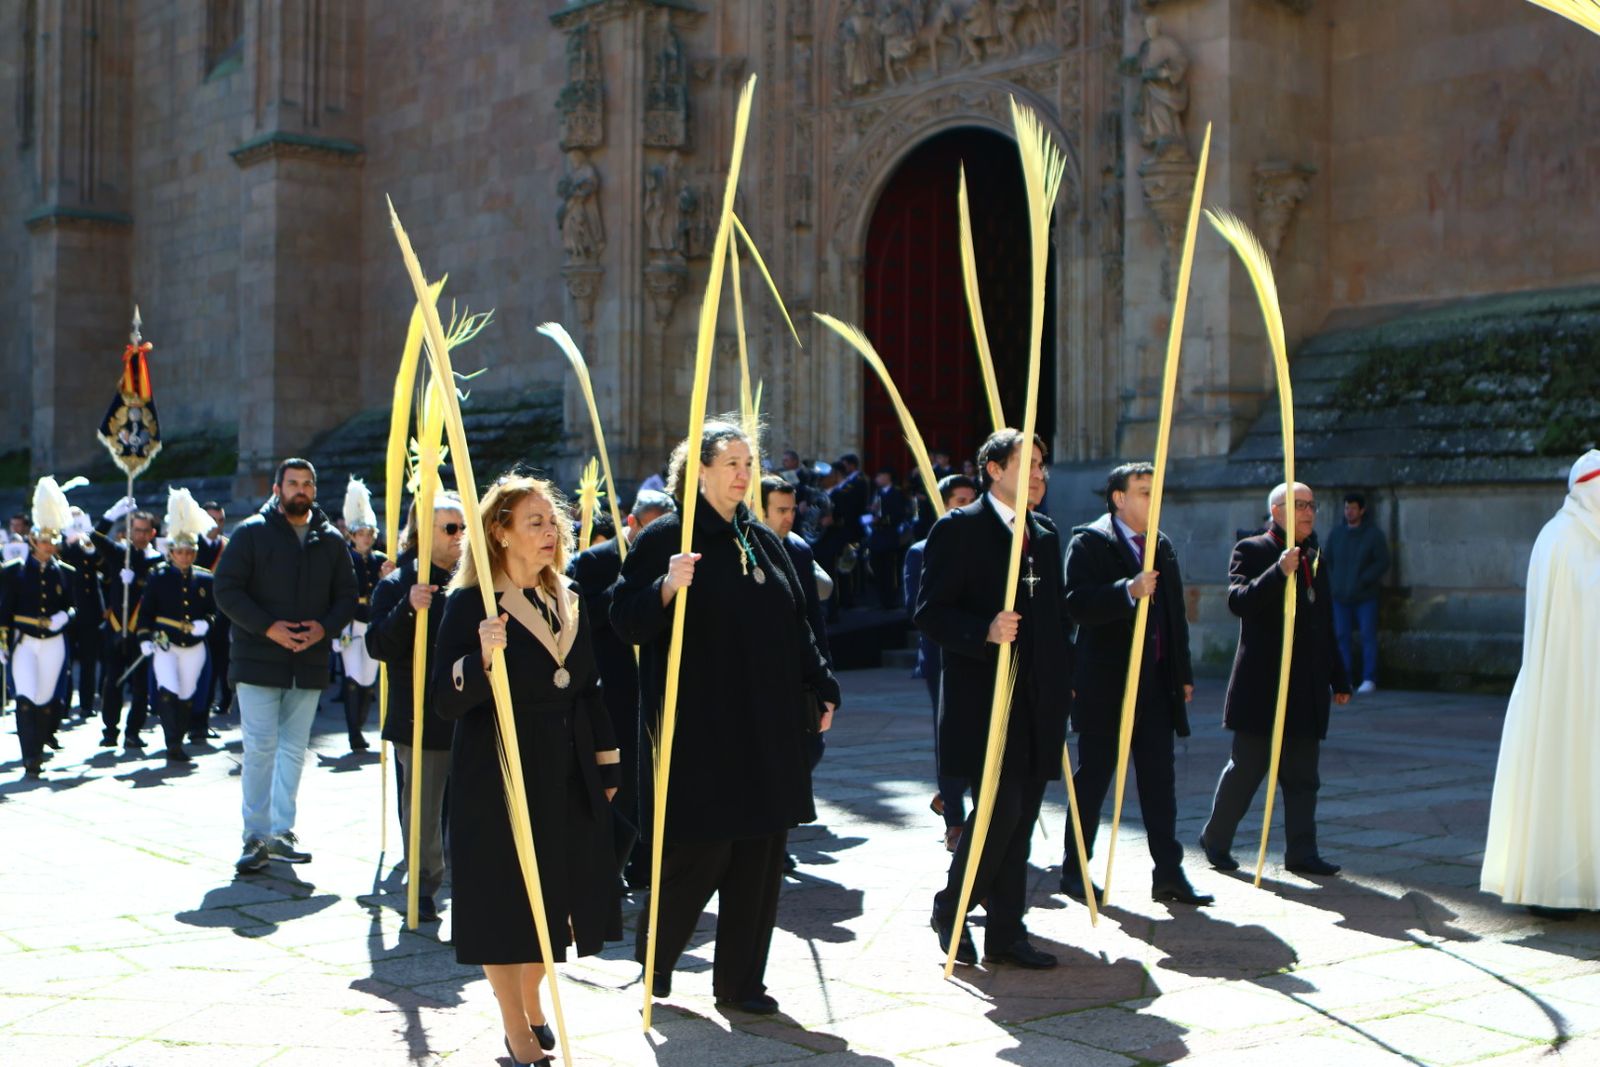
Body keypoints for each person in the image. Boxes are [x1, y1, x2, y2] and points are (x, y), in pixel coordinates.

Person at [612, 418, 839, 1015]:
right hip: (701, 729)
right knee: (702, 853)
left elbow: (797, 627)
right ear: (702, 470)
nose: (744, 473)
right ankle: (656, 959)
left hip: (766, 728)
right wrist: (664, 587)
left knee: (760, 857)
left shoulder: (762, 540)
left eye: (748, 462)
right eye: (732, 462)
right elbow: (623, 619)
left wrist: (822, 684)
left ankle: (740, 984)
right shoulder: (665, 536)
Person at [432, 474, 623, 1067]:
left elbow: (589, 686)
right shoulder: (472, 602)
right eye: (534, 522)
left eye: (552, 522)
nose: (548, 532)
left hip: (566, 761)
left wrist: (606, 760)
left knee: (558, 893)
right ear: (500, 532)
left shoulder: (569, 595)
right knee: (503, 901)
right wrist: (481, 658)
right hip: (497, 767)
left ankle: (533, 1000)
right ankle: (516, 1030)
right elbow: (444, 697)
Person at [917, 430, 1072, 969]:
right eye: (1026, 464)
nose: (1038, 476)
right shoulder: (958, 530)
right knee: (997, 815)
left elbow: (1056, 616)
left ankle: (1007, 932)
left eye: (1042, 466)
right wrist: (983, 629)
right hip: (986, 701)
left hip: (1038, 702)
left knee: (1022, 818)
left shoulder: (1046, 535)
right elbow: (930, 612)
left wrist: (1064, 677)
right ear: (993, 469)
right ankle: (951, 908)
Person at [1059, 463, 1209, 906]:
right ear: (1119, 498)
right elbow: (1075, 605)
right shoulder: (1089, 542)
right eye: (1144, 492)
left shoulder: (1159, 544)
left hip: (1156, 685)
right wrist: (1127, 591)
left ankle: (1168, 872)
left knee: (1160, 782)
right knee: (1095, 778)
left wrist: (1181, 672)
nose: (1152, 499)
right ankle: (1074, 870)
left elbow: (1173, 615)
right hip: (1107, 684)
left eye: (1155, 491)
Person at [1199, 481, 1352, 877]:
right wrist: (1278, 571)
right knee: (1247, 770)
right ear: (1277, 511)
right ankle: (1216, 839)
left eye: (1312, 505)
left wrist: (1340, 678)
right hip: (1263, 686)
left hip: (1307, 688)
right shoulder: (1252, 549)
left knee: (1303, 778)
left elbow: (1324, 622)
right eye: (1299, 505)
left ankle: (1302, 852)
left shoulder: (1315, 557)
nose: (1308, 512)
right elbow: (1239, 601)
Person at [215, 458, 358, 874]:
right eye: (292, 483)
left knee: (295, 749)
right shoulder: (250, 534)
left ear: (314, 490)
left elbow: (347, 595)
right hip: (258, 660)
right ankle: (255, 836)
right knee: (260, 747)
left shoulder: (330, 541)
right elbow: (226, 590)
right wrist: (267, 627)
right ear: (277, 489)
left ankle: (282, 831)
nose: (300, 490)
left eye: (307, 484)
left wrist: (325, 629)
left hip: (308, 662)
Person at [1481, 451, 1600, 916]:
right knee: (1560, 774)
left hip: (1589, 684)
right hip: (1562, 687)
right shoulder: (1561, 538)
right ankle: (1553, 889)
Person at [568, 487, 676, 887]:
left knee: (655, 778)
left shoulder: (669, 559)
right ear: (631, 523)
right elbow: (582, 615)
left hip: (655, 683)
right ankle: (608, 866)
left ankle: (646, 864)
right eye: (648, 529)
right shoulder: (594, 561)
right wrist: (626, 594)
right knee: (621, 781)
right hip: (611, 685)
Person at [367, 492, 466, 924]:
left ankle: (471, 882)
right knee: (422, 812)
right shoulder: (398, 583)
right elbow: (377, 645)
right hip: (421, 717)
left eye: (464, 528)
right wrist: (409, 608)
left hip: (469, 715)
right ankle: (423, 885)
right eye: (450, 528)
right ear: (424, 532)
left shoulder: (473, 581)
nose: (460, 537)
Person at [904, 473, 978, 852]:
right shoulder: (921, 550)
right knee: (950, 736)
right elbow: (917, 608)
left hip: (982, 649)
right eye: (956, 499)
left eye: (970, 498)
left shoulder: (990, 545)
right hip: (941, 655)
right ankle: (955, 819)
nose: (964, 505)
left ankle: (948, 794)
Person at [0, 477, 81, 777]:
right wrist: (2, 642)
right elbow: (4, 611)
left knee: (47, 699)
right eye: (44, 541)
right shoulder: (13, 572)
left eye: (53, 541)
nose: (49, 546)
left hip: (54, 641)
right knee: (26, 697)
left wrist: (66, 617)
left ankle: (40, 745)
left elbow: (74, 607)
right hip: (24, 640)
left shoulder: (66, 573)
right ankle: (29, 755)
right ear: (33, 541)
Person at [137, 488, 218, 764]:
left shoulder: (206, 579)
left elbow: (213, 611)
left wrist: (206, 624)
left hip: (194, 644)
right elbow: (146, 611)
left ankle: (178, 737)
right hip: (166, 642)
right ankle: (173, 742)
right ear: (171, 552)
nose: (184, 556)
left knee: (186, 693)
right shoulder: (158, 577)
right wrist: (144, 638)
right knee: (168, 690)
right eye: (180, 552)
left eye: (189, 552)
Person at [92, 498, 162, 750]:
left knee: (141, 685)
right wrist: (110, 516)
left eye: (146, 530)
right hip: (115, 627)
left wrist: (137, 579)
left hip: (141, 631)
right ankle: (110, 731)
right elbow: (95, 537)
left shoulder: (157, 561)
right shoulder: (119, 553)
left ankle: (133, 732)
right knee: (113, 681)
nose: (141, 535)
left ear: (153, 533)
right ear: (130, 531)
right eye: (137, 530)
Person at [1324, 491, 1389, 695]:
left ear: (1362, 510)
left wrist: (1365, 580)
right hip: (1340, 596)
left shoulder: (1373, 535)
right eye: (1346, 508)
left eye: (1352, 508)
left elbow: (1382, 561)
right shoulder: (1337, 534)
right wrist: (1333, 584)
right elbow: (1328, 560)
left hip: (1365, 596)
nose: (1349, 512)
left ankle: (1369, 678)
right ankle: (1345, 679)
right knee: (1341, 637)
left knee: (1368, 636)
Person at [340, 477, 388, 752]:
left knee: (369, 679)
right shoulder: (345, 558)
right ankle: (353, 732)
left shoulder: (381, 560)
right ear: (353, 535)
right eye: (361, 534)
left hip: (372, 623)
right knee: (353, 677)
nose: (366, 539)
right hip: (350, 623)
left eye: (370, 534)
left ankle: (359, 723)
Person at [58, 507, 104, 719]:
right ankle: (63, 704)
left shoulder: (90, 542)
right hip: (66, 608)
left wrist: (89, 545)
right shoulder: (58, 543)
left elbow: (101, 564)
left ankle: (86, 703)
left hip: (90, 609)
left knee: (89, 659)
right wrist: (68, 542)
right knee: (64, 659)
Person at [195, 501, 231, 733]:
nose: (216, 525)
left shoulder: (228, 546)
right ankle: (195, 718)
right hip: (196, 617)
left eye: (220, 521)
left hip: (223, 614)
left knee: (221, 663)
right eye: (211, 520)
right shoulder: (191, 547)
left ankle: (221, 703)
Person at [867, 467, 910, 609]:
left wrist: (882, 520)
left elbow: (899, 514)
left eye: (880, 476)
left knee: (889, 569)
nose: (877, 479)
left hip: (889, 535)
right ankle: (882, 598)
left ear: (887, 476)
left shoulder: (896, 493)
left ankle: (891, 599)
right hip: (876, 535)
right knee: (877, 566)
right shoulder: (877, 492)